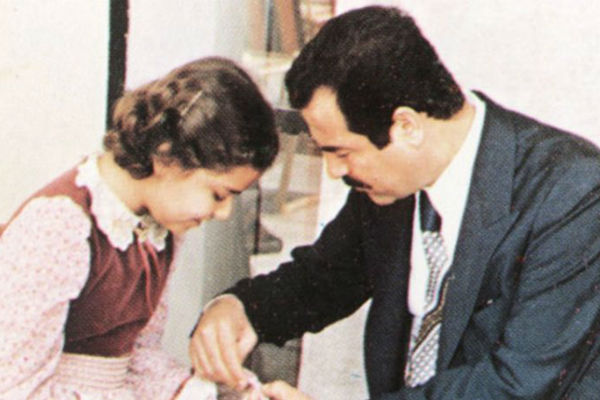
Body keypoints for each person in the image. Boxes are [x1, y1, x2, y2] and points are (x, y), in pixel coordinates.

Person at [190, 6, 600, 400]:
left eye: (342, 152)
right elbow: (326, 278)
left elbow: (517, 384)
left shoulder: (572, 193)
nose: (334, 171)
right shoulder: (391, 183)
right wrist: (243, 309)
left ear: (406, 125)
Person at [0, 56, 279, 399]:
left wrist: (209, 394)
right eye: (219, 195)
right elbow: (12, 386)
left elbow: (136, 360)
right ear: (167, 157)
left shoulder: (159, 232)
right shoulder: (60, 225)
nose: (224, 213)